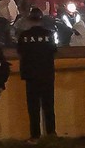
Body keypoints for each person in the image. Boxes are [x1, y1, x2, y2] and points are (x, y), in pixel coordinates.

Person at [15, 9, 57, 140]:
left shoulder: (24, 36)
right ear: (41, 19)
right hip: (47, 74)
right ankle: (51, 133)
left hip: (31, 75)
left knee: (33, 108)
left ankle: (35, 135)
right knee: (48, 106)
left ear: (29, 20)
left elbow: (20, 51)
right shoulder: (49, 34)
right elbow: (54, 51)